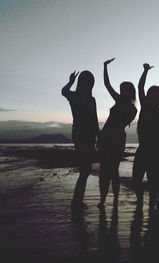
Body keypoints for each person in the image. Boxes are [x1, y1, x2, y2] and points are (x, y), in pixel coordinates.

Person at [97, 58, 137, 208]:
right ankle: (108, 199)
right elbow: (107, 85)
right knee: (111, 170)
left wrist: (105, 66)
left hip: (112, 137)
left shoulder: (125, 105)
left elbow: (107, 85)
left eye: (122, 90)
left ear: (127, 92)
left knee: (109, 170)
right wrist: (105, 66)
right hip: (111, 137)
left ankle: (107, 199)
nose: (120, 92)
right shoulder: (130, 107)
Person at [61, 70, 99, 209]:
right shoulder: (75, 96)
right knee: (85, 169)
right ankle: (76, 202)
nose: (89, 84)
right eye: (87, 81)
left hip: (90, 136)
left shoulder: (92, 99)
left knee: (86, 170)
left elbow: (94, 119)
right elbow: (64, 91)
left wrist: (97, 137)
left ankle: (78, 200)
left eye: (91, 81)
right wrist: (70, 82)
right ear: (82, 82)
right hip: (80, 134)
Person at [132, 63, 159, 209]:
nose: (149, 96)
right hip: (148, 150)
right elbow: (140, 88)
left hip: (153, 151)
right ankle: (144, 204)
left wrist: (145, 71)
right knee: (142, 180)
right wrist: (145, 71)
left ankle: (149, 205)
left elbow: (140, 88)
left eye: (153, 94)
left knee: (152, 182)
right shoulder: (146, 108)